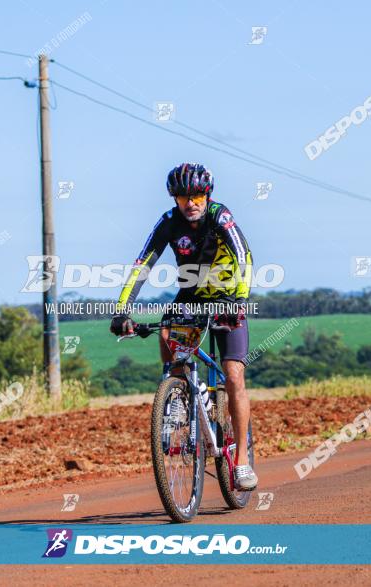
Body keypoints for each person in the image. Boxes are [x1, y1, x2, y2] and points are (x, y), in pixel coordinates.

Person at [109, 163, 257, 490]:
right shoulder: (169, 223)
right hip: (191, 296)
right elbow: (142, 264)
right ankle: (176, 396)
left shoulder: (221, 216)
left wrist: (239, 300)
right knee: (165, 330)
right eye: (182, 197)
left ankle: (242, 460)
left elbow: (244, 257)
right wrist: (122, 310)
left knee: (232, 374)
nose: (190, 203)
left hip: (228, 298)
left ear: (207, 195)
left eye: (197, 196)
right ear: (174, 199)